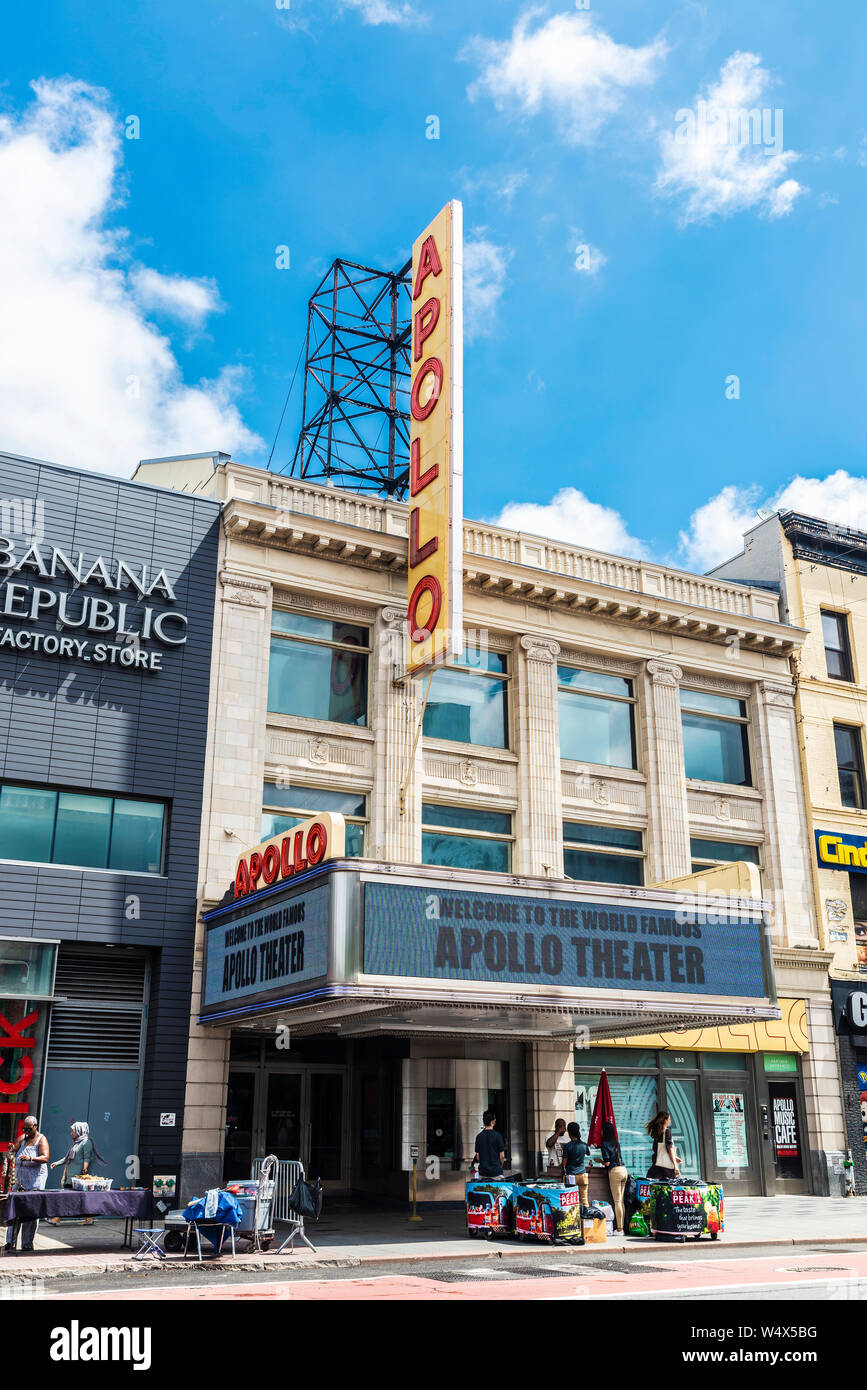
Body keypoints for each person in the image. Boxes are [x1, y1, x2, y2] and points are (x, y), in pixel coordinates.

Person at [3, 1116, 49, 1254]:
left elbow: (45, 1157)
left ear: (35, 1126)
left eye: (29, 1129)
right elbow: (14, 1151)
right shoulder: (23, 1138)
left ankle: (27, 1244)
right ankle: (10, 1242)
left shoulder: (42, 1140)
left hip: (35, 1180)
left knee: (30, 1212)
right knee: (13, 1210)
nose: (26, 1131)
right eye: (24, 1128)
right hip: (20, 1181)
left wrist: (30, 1158)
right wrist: (11, 1148)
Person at [47, 1121, 105, 1226]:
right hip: (70, 1176)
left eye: (72, 1131)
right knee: (79, 1198)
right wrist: (57, 1163)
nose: (71, 1133)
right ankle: (89, 1218)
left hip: (77, 1178)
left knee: (66, 1197)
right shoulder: (77, 1143)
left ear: (79, 1131)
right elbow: (67, 1158)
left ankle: (57, 1218)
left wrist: (84, 1170)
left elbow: (87, 1157)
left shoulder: (86, 1142)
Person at [598, 1120, 628, 1232]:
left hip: (615, 1172)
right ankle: (623, 1227)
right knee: (621, 1201)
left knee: (617, 1201)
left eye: (601, 1130)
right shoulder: (616, 1142)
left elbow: (607, 1163)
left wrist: (599, 1160)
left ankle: (620, 1229)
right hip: (624, 1170)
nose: (600, 1132)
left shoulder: (604, 1144)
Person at [561, 1122, 591, 1207]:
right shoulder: (583, 1144)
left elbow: (564, 1163)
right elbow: (588, 1153)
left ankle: (574, 1220)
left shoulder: (567, 1146)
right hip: (583, 1175)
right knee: (584, 1200)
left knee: (571, 1201)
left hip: (571, 1177)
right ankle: (586, 1219)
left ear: (569, 1132)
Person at [645, 1110, 680, 1179]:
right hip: (665, 1168)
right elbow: (669, 1149)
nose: (669, 1121)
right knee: (670, 1187)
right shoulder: (667, 1131)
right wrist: (675, 1166)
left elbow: (660, 1150)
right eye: (669, 1119)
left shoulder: (657, 1132)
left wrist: (675, 1157)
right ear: (665, 1120)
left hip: (657, 1166)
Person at [473, 1110, 506, 1179]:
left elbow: (477, 1156)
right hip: (496, 1173)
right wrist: (500, 1166)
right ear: (492, 1121)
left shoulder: (479, 1136)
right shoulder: (498, 1136)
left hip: (483, 1173)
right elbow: (502, 1156)